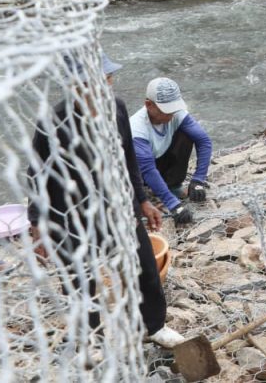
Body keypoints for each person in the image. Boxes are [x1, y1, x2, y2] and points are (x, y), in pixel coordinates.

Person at [28, 52, 185, 349]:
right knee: (80, 281)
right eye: (97, 83)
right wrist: (37, 224)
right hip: (71, 214)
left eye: (109, 80)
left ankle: (152, 326)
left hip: (117, 207)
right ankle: (92, 340)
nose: (105, 89)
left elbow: (128, 159)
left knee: (144, 267)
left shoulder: (118, 109)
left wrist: (142, 200)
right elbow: (36, 174)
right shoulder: (53, 121)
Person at [130, 77, 212, 224]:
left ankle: (172, 186)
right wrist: (174, 205)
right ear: (149, 105)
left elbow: (203, 141)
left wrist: (198, 180)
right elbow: (148, 169)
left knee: (187, 134)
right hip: (136, 174)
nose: (171, 115)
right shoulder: (137, 129)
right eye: (166, 111)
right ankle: (150, 194)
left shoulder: (175, 114)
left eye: (173, 109)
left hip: (158, 160)